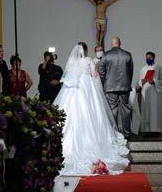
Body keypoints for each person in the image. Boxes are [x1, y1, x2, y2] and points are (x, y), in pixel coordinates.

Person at [53, 44, 129, 175]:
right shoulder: (88, 60)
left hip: (72, 90)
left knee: (71, 113)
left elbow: (67, 74)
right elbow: (94, 74)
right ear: (86, 51)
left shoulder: (72, 62)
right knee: (92, 113)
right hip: (87, 88)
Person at [99, 36, 134, 139]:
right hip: (125, 86)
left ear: (111, 44)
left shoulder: (106, 55)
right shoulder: (127, 54)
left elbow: (102, 71)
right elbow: (131, 71)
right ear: (120, 43)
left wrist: (103, 84)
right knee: (125, 109)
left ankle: (113, 133)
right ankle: (127, 133)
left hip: (110, 86)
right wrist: (128, 83)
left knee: (112, 109)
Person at [137, 52, 162, 135]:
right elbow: (139, 81)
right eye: (147, 57)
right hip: (145, 93)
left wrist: (154, 81)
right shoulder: (143, 69)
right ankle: (147, 131)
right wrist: (141, 82)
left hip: (155, 94)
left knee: (154, 111)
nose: (148, 59)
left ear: (153, 58)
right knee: (146, 111)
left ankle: (156, 131)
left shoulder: (159, 67)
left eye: (150, 57)